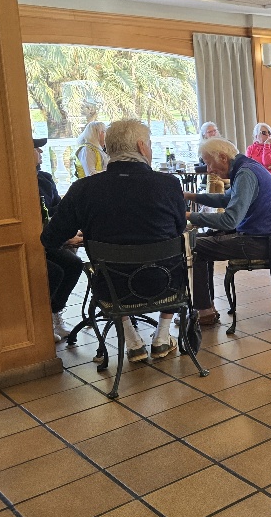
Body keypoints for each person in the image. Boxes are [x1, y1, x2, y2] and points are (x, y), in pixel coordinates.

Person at [42, 119, 186, 362]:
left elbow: (50, 238)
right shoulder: (168, 184)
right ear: (142, 147)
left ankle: (132, 340)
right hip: (166, 285)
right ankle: (162, 336)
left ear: (108, 149)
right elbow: (179, 228)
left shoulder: (82, 189)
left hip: (112, 291)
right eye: (150, 144)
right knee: (174, 260)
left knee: (109, 272)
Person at [186, 137, 271, 326]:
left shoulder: (245, 174)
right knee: (198, 242)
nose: (208, 170)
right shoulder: (246, 167)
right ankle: (206, 306)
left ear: (223, 157)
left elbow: (229, 220)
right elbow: (225, 200)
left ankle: (204, 310)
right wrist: (190, 196)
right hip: (263, 236)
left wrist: (189, 216)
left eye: (209, 163)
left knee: (194, 246)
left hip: (262, 242)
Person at [36, 137, 82, 342]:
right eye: (37, 149)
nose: (41, 152)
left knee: (74, 264)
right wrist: (64, 239)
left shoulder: (45, 179)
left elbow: (56, 210)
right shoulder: (19, 184)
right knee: (55, 271)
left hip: (49, 237)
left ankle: (55, 313)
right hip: (33, 240)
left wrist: (69, 232)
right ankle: (42, 320)